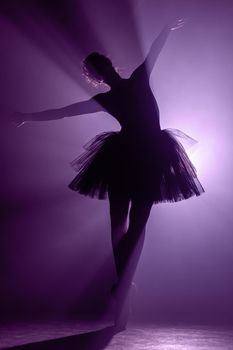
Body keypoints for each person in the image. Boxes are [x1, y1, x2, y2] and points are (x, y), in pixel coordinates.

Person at [11, 18, 204, 330]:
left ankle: (123, 287)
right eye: (100, 69)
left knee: (134, 227)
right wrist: (26, 117)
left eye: (102, 65)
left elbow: (154, 51)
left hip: (147, 156)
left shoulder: (136, 81)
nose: (105, 71)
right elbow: (62, 112)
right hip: (127, 157)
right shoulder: (109, 97)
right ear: (100, 76)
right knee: (122, 226)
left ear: (107, 68)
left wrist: (166, 29)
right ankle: (123, 289)